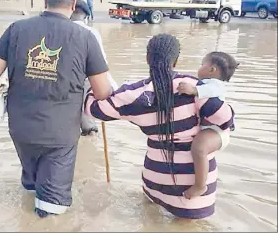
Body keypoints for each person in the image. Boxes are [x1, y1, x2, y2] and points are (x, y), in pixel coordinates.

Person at [0, 0, 113, 218]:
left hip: (20, 128)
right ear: (73, 5)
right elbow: (103, 91)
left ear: (45, 2)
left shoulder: (16, 29)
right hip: (59, 135)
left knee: (30, 187)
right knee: (51, 211)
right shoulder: (85, 37)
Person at [84, 34, 235, 219]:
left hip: (154, 179)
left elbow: (93, 110)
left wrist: (92, 87)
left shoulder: (134, 94)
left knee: (149, 221)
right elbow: (225, 119)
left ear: (147, 59)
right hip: (192, 187)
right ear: (176, 61)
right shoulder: (194, 87)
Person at [177, 52, 239, 199]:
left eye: (202, 64)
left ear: (212, 70)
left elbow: (213, 90)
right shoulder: (204, 85)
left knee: (199, 148)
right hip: (210, 128)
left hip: (218, 132)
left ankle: (200, 186)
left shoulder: (215, 85)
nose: (199, 68)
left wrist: (194, 90)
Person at [71, 0, 119, 136]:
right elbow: (101, 62)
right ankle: (90, 136)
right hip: (88, 79)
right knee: (87, 118)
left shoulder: (62, 30)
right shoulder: (92, 33)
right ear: (85, 16)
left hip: (67, 80)